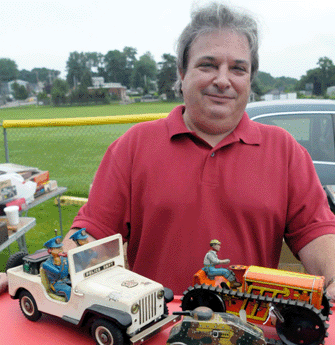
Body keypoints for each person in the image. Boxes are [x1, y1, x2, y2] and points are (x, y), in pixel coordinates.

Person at [2, 2, 335, 298]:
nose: (223, 79)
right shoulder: (133, 146)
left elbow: (316, 233)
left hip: (249, 332)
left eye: (238, 68)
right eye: (207, 65)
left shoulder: (285, 151)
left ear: (250, 79)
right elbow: (94, 233)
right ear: (181, 72)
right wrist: (40, 272)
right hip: (150, 332)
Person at [42, 236, 71, 301]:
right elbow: (58, 273)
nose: (60, 249)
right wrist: (58, 261)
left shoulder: (64, 258)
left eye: (60, 247)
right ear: (50, 250)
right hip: (57, 284)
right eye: (57, 248)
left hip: (66, 280)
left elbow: (68, 269)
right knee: (69, 290)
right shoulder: (47, 264)